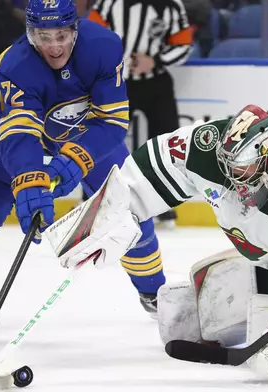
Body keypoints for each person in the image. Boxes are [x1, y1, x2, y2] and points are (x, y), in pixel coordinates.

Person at [46, 104, 268, 386]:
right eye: (227, 163)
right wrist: (106, 221)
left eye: (240, 168)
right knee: (179, 316)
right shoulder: (208, 145)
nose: (229, 176)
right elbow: (150, 169)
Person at [0, 0, 167, 341]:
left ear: (75, 28)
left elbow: (112, 120)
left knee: (126, 205)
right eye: (44, 36)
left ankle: (156, 294)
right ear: (29, 33)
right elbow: (20, 135)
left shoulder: (105, 46)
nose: (54, 45)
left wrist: (76, 159)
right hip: (10, 126)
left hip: (83, 127)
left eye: (62, 35)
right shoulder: (14, 65)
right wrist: (30, 183)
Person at [88, 0, 193, 228]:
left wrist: (154, 61)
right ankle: (93, 201)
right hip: (115, 82)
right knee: (102, 140)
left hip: (156, 82)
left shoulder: (171, 5)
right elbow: (89, 37)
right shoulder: (109, 3)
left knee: (170, 144)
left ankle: (165, 206)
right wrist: (115, 63)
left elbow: (183, 44)